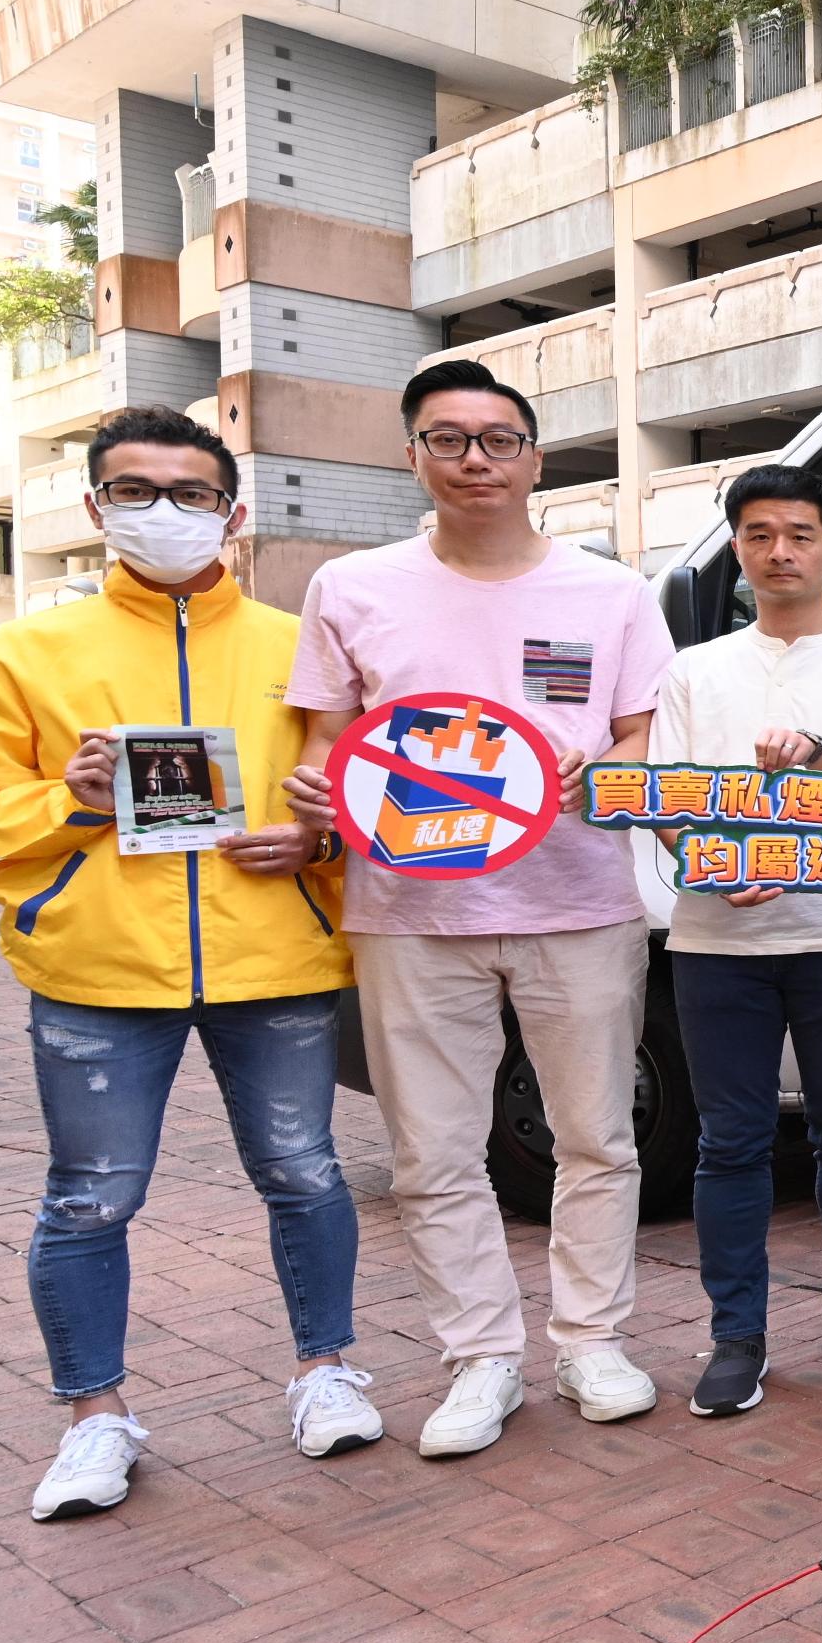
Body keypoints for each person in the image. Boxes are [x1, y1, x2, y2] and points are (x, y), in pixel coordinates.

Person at [0, 408, 374, 1520]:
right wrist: (62, 801)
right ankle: (95, 1417)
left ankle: (326, 1372)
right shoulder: (19, 655)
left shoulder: (301, 650)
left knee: (307, 1174)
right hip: (97, 975)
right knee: (88, 1201)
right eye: (135, 492)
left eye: (188, 492)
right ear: (94, 508)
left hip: (279, 962)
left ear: (233, 511)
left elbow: (370, 801)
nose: (164, 513)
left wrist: (316, 839)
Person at [280, 358, 671, 1457]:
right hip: (407, 911)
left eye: (498, 440)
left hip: (580, 899)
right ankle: (482, 1358)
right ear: (413, 455)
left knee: (595, 1136)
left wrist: (603, 769)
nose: (475, 460)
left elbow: (644, 734)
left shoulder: (612, 591)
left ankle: (592, 1338)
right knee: (432, 1153)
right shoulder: (353, 587)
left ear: (535, 459)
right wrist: (316, 794)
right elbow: (323, 746)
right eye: (448, 440)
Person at [649, 463, 822, 1416]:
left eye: (801, 534)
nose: (780, 552)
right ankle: (737, 1333)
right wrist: (713, 863)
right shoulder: (694, 669)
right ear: (736, 549)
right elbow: (668, 804)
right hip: (717, 942)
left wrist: (817, 754)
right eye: (760, 534)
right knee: (730, 1141)